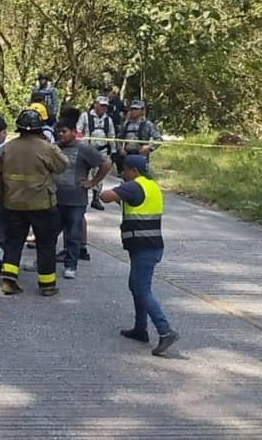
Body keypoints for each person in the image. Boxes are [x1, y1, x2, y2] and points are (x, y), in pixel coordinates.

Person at [99, 155, 179, 357]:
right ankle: (140, 329)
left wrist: (98, 186)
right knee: (137, 287)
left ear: (134, 170)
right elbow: (134, 205)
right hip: (149, 246)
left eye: (124, 170)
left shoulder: (135, 186)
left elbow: (106, 197)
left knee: (141, 289)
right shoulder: (151, 186)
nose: (123, 173)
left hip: (144, 247)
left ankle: (165, 331)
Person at [0, 109, 69, 297]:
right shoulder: (46, 147)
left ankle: (9, 281)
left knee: (13, 243)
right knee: (46, 244)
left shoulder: (6, 148)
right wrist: (52, 145)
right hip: (42, 204)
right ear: (39, 128)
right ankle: (47, 285)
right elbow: (62, 166)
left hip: (13, 204)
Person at [53, 120, 111, 279]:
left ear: (73, 131)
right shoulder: (55, 147)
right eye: (59, 131)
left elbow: (105, 164)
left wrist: (93, 182)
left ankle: (71, 265)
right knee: (49, 234)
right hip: (55, 199)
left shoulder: (84, 148)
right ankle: (45, 263)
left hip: (76, 200)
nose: (61, 134)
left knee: (73, 234)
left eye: (64, 131)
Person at [77, 96, 116, 210]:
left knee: (99, 175)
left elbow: (111, 136)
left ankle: (96, 198)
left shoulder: (108, 120)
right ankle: (80, 197)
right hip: (86, 149)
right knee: (82, 174)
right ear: (95, 104)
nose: (104, 108)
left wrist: (113, 151)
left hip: (101, 150)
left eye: (105, 106)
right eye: (101, 105)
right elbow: (78, 131)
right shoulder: (85, 116)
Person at [117, 101, 162, 171]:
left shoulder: (148, 124)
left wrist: (149, 147)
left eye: (136, 109)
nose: (133, 111)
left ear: (142, 110)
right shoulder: (126, 124)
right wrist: (120, 149)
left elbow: (159, 139)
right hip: (128, 156)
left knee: (141, 178)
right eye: (132, 109)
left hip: (141, 156)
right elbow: (118, 139)